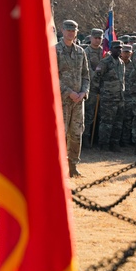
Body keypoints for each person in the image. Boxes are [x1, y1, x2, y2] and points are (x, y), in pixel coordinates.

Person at [55, 20, 90, 177]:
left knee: (76, 133)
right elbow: (52, 75)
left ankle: (73, 166)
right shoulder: (55, 50)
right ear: (62, 30)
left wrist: (84, 92)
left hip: (78, 101)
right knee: (59, 134)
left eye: (73, 30)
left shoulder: (80, 52)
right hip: (61, 100)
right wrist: (68, 92)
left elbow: (86, 75)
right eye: (68, 30)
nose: (70, 33)